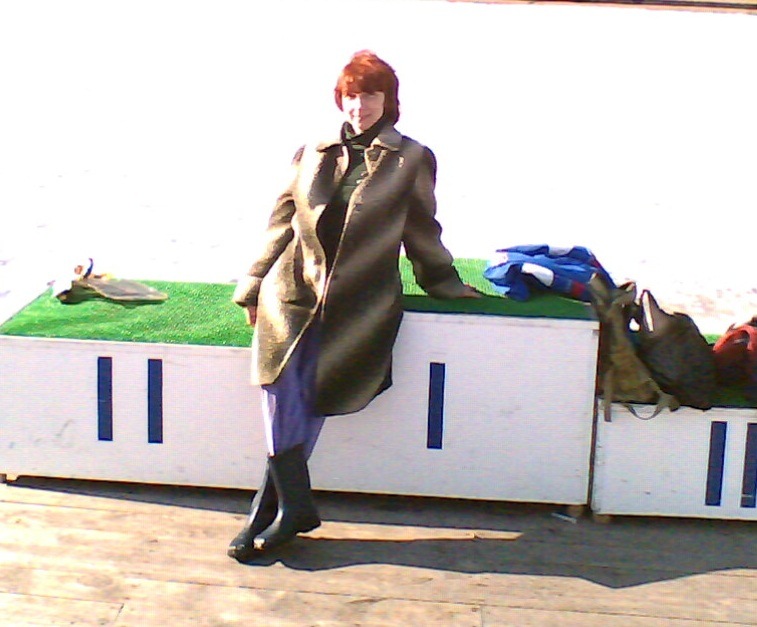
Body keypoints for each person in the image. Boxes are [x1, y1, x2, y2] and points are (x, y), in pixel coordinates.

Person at [228, 50, 480, 562]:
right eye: (350, 96)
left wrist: (443, 281)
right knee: (277, 388)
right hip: (292, 288)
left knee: (317, 391)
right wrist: (253, 283)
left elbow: (422, 229)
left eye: (370, 96)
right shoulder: (311, 151)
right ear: (339, 99)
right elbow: (281, 220)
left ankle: (270, 511)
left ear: (388, 101)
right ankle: (290, 506)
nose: (359, 106)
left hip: (359, 297)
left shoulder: (412, 158)